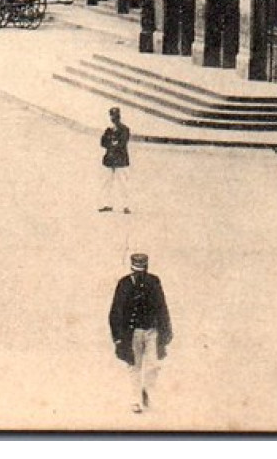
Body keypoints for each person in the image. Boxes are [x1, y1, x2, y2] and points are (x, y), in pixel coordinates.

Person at [109, 253, 173, 414]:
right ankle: (135, 400)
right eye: (137, 272)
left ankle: (146, 392)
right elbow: (115, 312)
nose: (140, 275)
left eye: (142, 272)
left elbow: (162, 308)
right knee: (134, 367)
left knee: (153, 366)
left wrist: (165, 333)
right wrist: (118, 338)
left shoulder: (154, 281)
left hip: (152, 331)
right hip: (132, 333)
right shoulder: (124, 284)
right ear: (132, 269)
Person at [99, 107, 132, 213]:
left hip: (120, 160)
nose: (114, 118)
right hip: (110, 159)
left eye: (115, 116)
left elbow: (122, 143)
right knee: (106, 182)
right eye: (112, 116)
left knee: (123, 183)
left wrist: (112, 143)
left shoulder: (125, 129)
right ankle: (107, 204)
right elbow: (103, 143)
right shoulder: (108, 130)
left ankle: (126, 205)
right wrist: (113, 142)